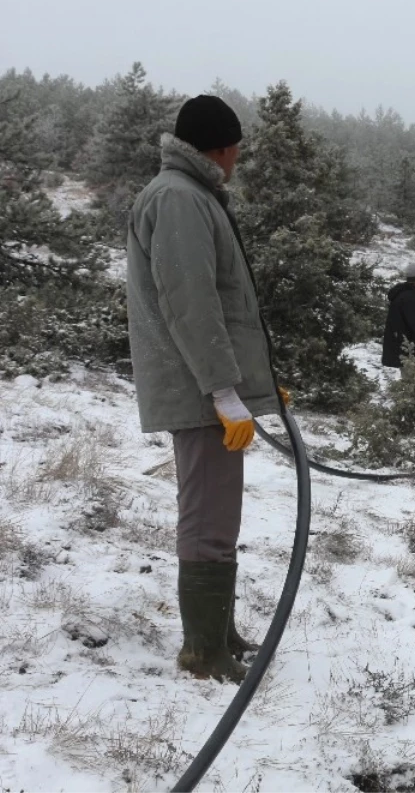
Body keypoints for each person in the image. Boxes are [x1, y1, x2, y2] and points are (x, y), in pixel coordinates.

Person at [127, 95, 283, 683]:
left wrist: (255, 388)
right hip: (196, 389)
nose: (239, 158)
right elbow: (191, 304)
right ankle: (202, 650)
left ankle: (218, 631)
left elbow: (223, 305)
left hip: (206, 386)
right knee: (205, 512)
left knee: (219, 512)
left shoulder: (190, 196)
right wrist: (222, 389)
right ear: (220, 148)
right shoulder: (178, 199)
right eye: (237, 147)